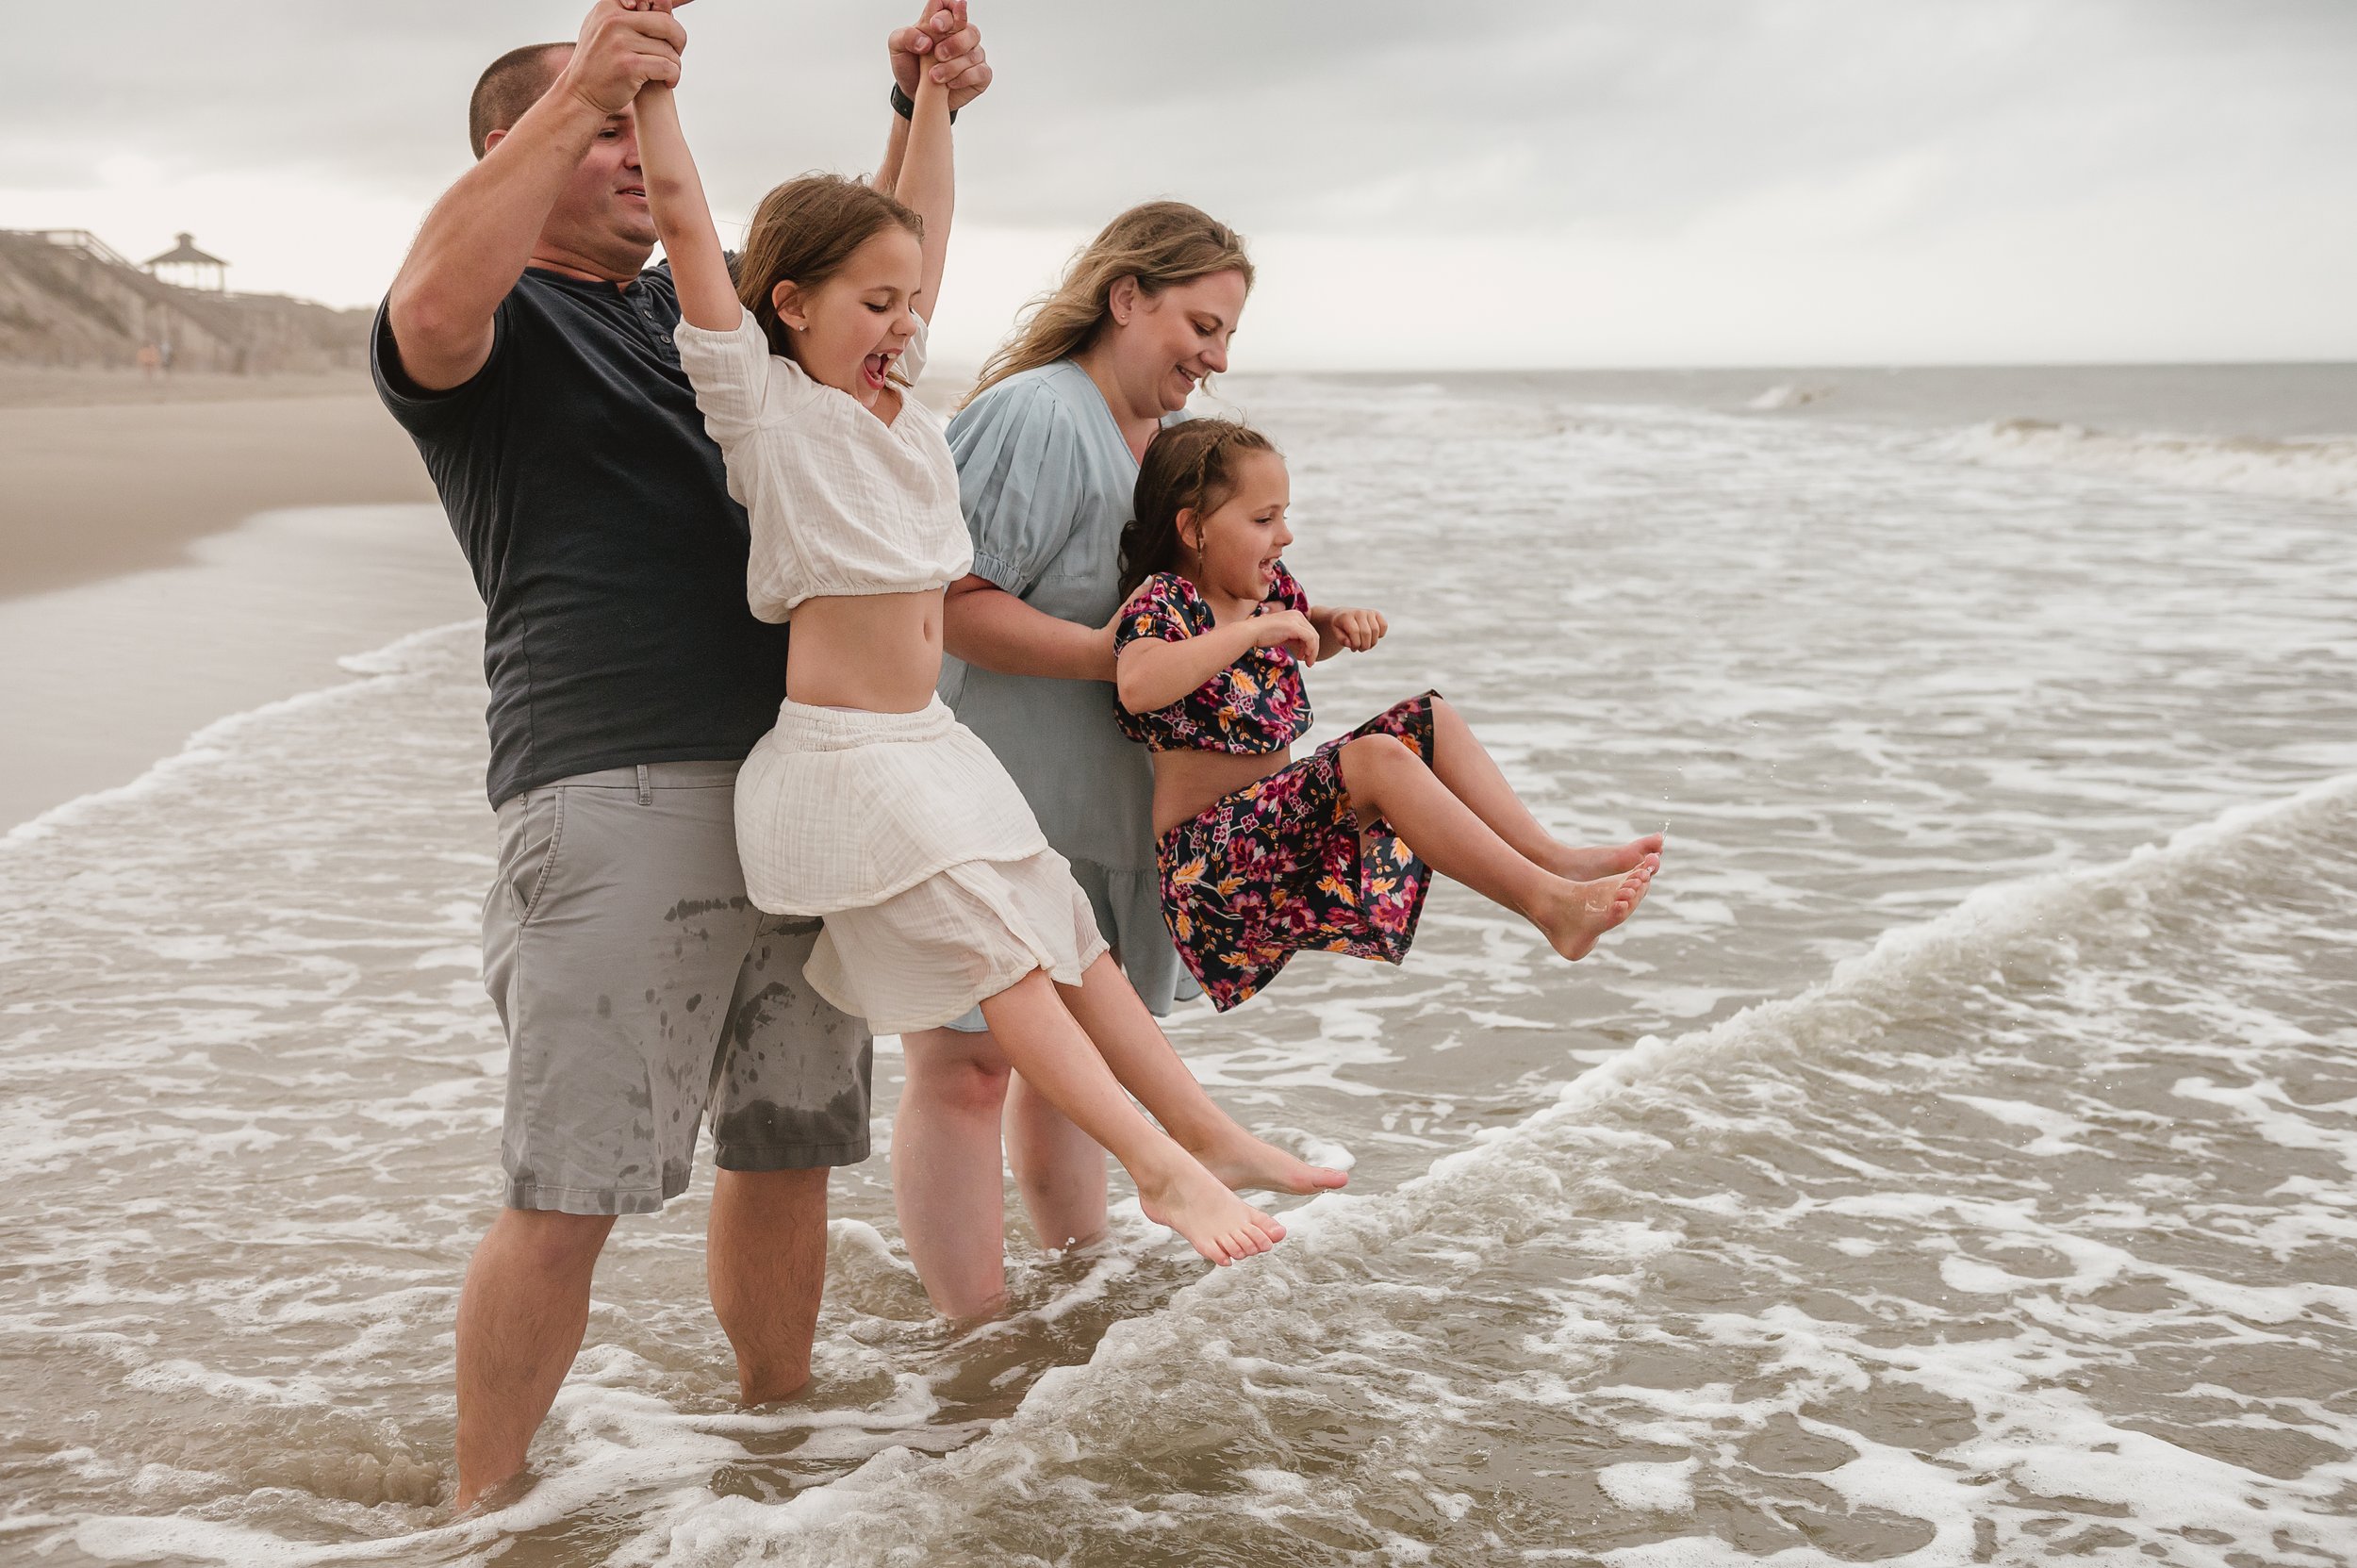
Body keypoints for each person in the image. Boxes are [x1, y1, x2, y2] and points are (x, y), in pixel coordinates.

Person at [371, 0, 994, 1511]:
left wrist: (928, 107)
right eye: (599, 131)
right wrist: (591, 73)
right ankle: (482, 1509)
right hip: (612, 785)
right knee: (570, 1182)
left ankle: (773, 1442)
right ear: (521, 148)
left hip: (808, 784)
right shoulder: (498, 320)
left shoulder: (687, 320)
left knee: (789, 1147)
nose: (637, 151)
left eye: (643, 121)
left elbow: (882, 286)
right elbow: (425, 311)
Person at [633, 4, 1350, 1297]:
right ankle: (1162, 1161)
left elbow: (920, 234)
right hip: (844, 758)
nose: (903, 322)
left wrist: (934, 109)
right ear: (788, 304)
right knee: (1014, 961)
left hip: (930, 746)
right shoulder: (765, 407)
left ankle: (1199, 1130)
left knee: (1068, 931)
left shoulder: (898, 412)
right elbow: (687, 217)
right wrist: (649, 82)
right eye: (873, 303)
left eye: (912, 304)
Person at [897, 203, 1281, 1318]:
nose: (1211, 358)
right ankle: (973, 1334)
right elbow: (939, 602)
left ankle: (1074, 1293)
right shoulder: (1037, 414)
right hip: (996, 802)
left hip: (1105, 815)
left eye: (1227, 340)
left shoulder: (1161, 450)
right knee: (966, 1071)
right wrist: (1107, 657)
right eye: (1199, 326)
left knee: (1076, 1081)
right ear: (1126, 297)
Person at [1114, 420, 1665, 1012]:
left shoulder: (1269, 596)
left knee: (1429, 719)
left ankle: (1554, 859)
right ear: (1194, 527)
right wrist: (1255, 630)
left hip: (1279, 841)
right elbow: (1139, 684)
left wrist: (1333, 625)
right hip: (1211, 870)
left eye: (1285, 515)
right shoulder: (1165, 602)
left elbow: (1300, 638)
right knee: (1376, 759)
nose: (1286, 535)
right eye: (1263, 519)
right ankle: (1549, 906)